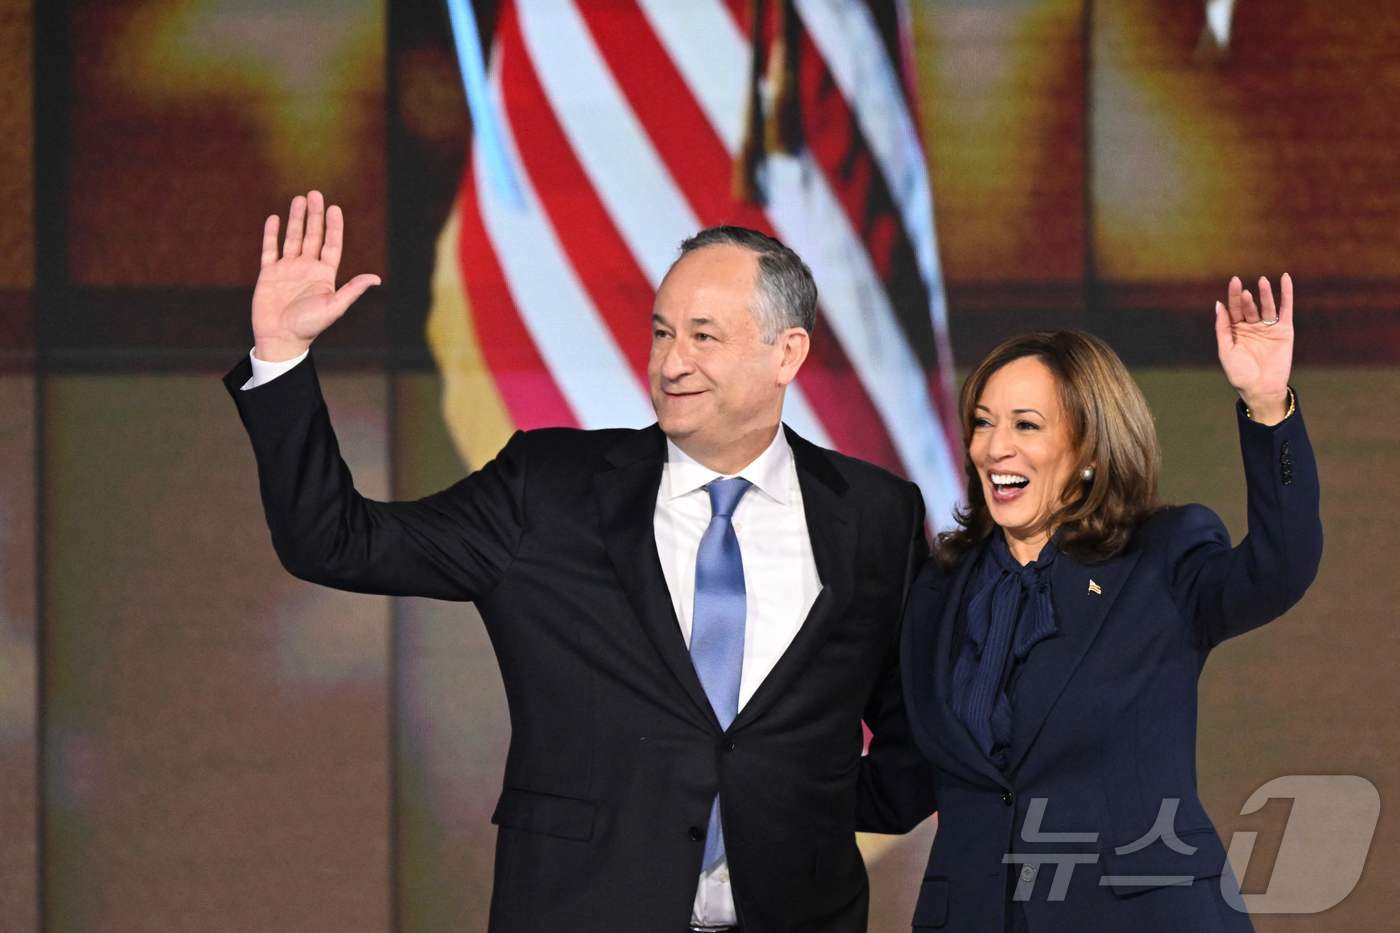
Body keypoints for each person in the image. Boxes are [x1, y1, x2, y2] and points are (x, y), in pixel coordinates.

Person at [225, 192, 935, 933]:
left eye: (703, 336)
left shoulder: (876, 515)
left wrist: (804, 805)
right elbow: (336, 539)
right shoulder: (548, 488)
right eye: (662, 332)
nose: (671, 362)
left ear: (786, 351)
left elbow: (917, 731)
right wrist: (281, 355)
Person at [856, 275, 1322, 932]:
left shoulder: (1160, 559)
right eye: (983, 423)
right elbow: (910, 780)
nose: (995, 447)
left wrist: (1267, 404)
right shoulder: (940, 587)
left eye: (1026, 424)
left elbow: (1281, 568)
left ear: (1087, 446)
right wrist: (765, 785)